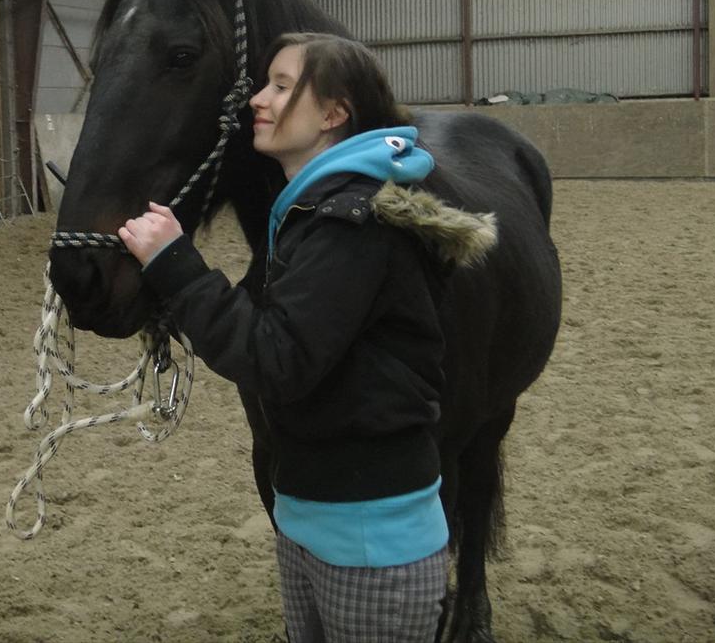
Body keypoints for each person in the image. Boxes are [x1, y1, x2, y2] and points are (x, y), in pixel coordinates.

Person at [118, 32, 497, 642]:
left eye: (282, 86)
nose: (258, 101)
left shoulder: (354, 222)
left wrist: (177, 266)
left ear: (333, 113)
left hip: (368, 543)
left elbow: (277, 358)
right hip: (313, 521)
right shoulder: (310, 212)